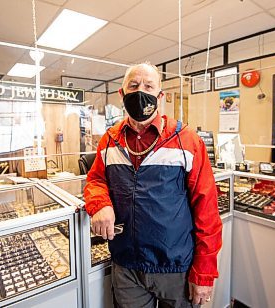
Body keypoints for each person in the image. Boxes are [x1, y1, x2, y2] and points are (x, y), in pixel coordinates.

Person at [84, 62, 222, 307]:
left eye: (149, 86)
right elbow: (95, 179)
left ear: (160, 96)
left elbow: (207, 209)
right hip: (126, 266)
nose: (141, 92)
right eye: (134, 85)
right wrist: (100, 203)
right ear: (122, 94)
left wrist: (204, 271)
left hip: (176, 268)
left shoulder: (186, 140)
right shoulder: (109, 140)